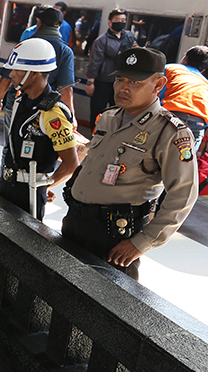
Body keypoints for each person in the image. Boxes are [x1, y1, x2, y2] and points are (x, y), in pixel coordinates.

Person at [63, 47, 198, 280]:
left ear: (158, 84)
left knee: (103, 308)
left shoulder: (170, 132)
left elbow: (184, 193)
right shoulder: (108, 117)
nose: (123, 88)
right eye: (119, 79)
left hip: (115, 237)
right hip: (75, 224)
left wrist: (142, 243)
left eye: (135, 82)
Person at [0, 38, 80, 221]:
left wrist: (45, 186)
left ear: (34, 73)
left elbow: (71, 164)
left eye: (17, 70)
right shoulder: (19, 101)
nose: (12, 75)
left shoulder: (54, 112)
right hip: (6, 186)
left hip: (29, 196)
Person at [0, 7, 76, 125]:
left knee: (12, 140)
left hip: (17, 103)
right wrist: (70, 116)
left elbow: (6, 78)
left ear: (40, 24)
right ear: (59, 26)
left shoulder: (24, 45)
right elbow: (66, 88)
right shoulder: (65, 51)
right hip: (47, 108)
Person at [85, 8, 137, 123]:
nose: (121, 22)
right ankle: (95, 135)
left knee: (120, 110)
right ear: (110, 22)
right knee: (98, 110)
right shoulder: (102, 40)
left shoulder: (128, 36)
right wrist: (90, 82)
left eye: (123, 20)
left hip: (122, 81)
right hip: (103, 81)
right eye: (117, 19)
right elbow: (94, 61)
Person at [161, 45, 208, 153]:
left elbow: (154, 93)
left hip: (171, 116)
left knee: (155, 152)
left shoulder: (170, 68)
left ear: (185, 59)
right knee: (185, 160)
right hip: (198, 123)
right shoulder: (205, 83)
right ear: (202, 70)